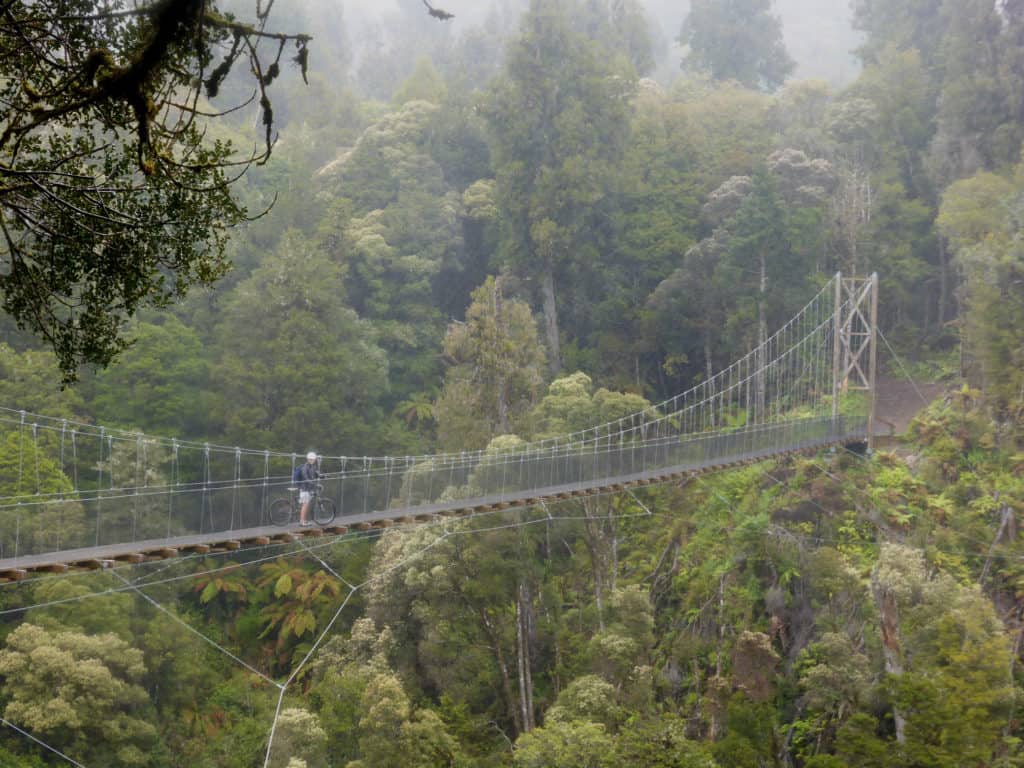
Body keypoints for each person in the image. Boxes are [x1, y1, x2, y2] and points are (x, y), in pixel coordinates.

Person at [296, 451, 320, 526]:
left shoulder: (312, 467)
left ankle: (304, 520)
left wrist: (323, 476)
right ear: (307, 459)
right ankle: (302, 522)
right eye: (310, 459)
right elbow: (305, 477)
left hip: (308, 489)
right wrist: (313, 483)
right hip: (304, 489)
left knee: (306, 504)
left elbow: (316, 475)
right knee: (305, 505)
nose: (311, 460)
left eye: (313, 459)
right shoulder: (305, 467)